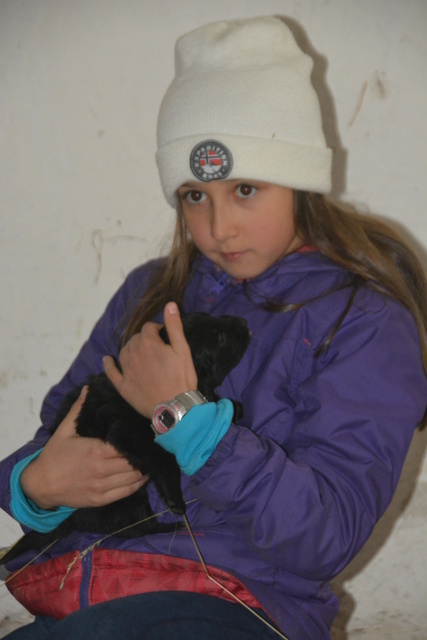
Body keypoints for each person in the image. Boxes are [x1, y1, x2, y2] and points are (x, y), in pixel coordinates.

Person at [1, 15, 426, 640]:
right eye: (195, 195)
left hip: (236, 604)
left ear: (301, 183)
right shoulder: (150, 291)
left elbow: (327, 536)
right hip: (82, 591)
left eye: (245, 188)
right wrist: (34, 486)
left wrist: (191, 424)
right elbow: (58, 430)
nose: (218, 226)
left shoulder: (362, 321)